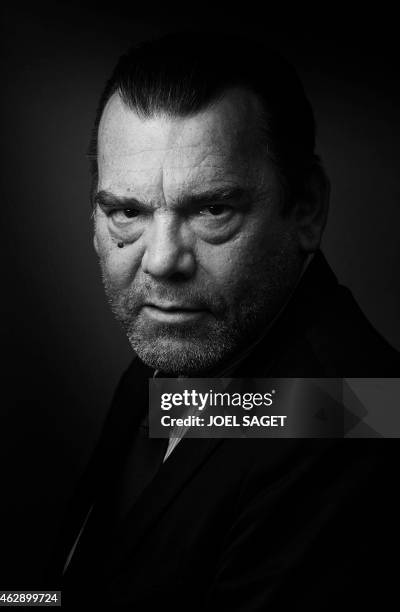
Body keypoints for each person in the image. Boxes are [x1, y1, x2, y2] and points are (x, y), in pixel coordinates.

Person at [46, 32, 400, 609]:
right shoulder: (171, 358)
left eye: (213, 209)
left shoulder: (353, 420)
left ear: (306, 208)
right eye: (128, 212)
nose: (162, 262)